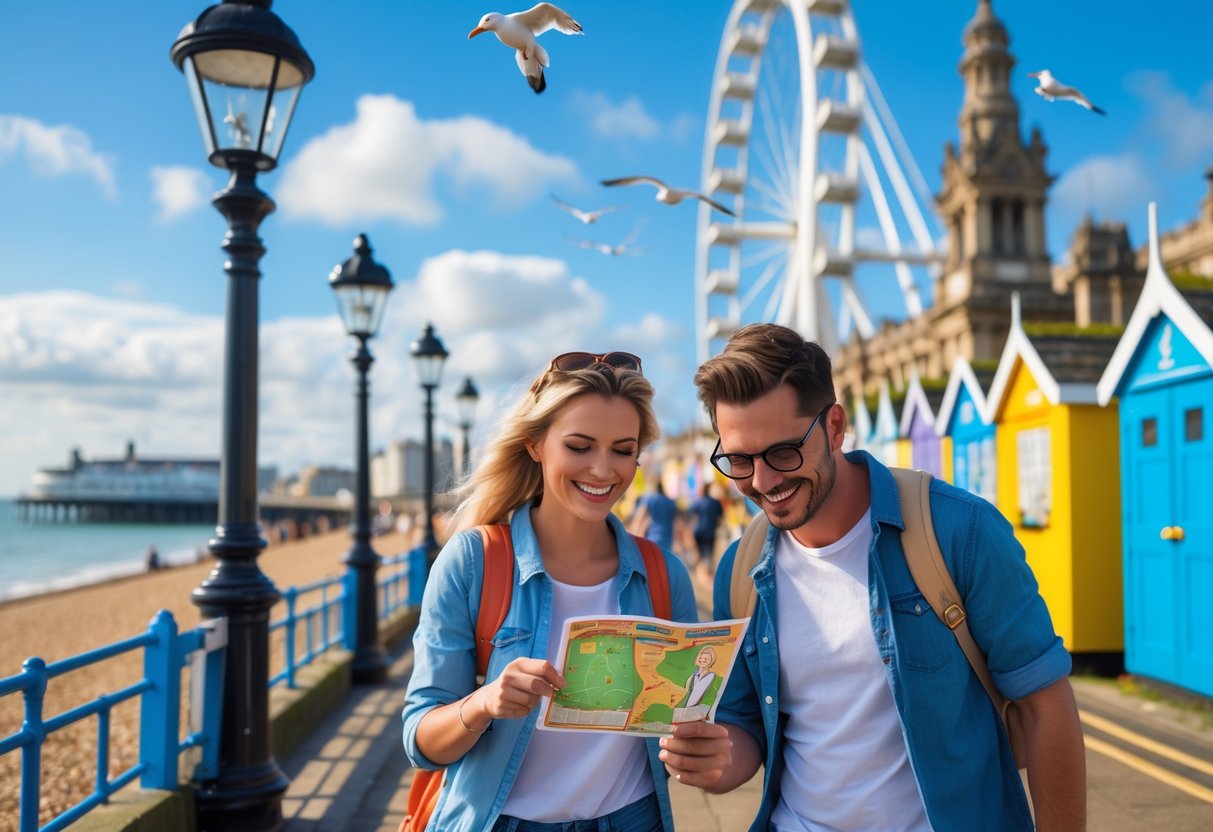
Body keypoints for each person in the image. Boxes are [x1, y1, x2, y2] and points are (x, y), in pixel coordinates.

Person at [659, 324, 1086, 832]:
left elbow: (1046, 706)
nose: (763, 481)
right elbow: (748, 725)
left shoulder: (958, 532)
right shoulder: (741, 568)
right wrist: (715, 762)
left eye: (782, 453)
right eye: (739, 460)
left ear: (835, 426)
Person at [402, 350, 698, 832]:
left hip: (633, 819)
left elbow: (686, 726)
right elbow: (420, 741)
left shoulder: (663, 575)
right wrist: (484, 703)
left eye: (624, 450)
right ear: (535, 444)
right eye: (580, 446)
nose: (604, 470)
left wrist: (700, 745)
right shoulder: (472, 561)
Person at [688, 483, 724, 574]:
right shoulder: (715, 502)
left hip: (698, 531)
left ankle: (698, 571)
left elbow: (690, 512)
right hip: (710, 531)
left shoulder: (698, 502)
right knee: (709, 553)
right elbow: (721, 516)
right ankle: (707, 572)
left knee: (698, 553)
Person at [632, 480, 677, 551]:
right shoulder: (671, 502)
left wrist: (634, 535)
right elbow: (676, 523)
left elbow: (640, 517)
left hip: (652, 538)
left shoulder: (649, 499)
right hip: (667, 540)